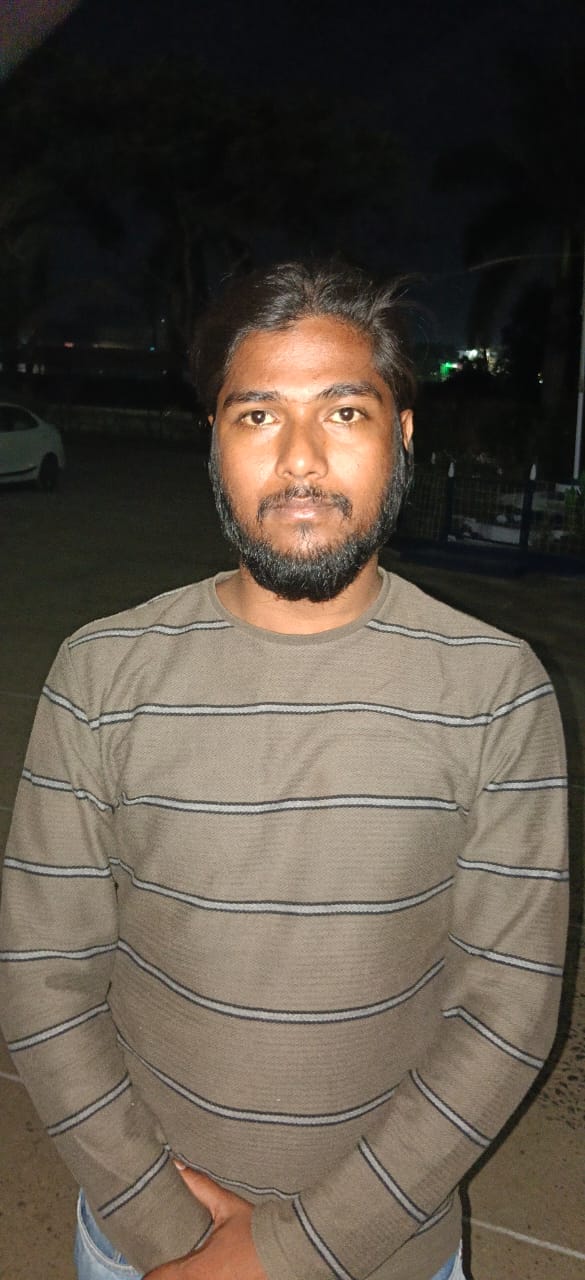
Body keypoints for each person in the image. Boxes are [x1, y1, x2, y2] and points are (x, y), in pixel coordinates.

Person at [0, 262, 569, 1280]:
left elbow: (505, 1014)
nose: (300, 458)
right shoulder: (101, 673)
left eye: (343, 411)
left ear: (401, 437)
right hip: (141, 1249)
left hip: (390, 1256)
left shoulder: (496, 690)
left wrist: (284, 1254)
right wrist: (169, 1232)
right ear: (214, 443)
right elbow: (44, 979)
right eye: (257, 415)